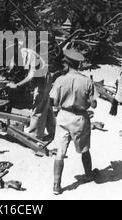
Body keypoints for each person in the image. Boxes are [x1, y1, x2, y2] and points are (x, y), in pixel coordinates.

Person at [50, 49, 98, 195]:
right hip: (79, 119)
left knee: (60, 152)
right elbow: (94, 104)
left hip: (63, 117)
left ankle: (56, 186)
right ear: (79, 64)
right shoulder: (87, 81)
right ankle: (89, 174)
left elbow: (54, 101)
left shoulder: (60, 80)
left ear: (67, 64)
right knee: (84, 149)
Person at [7, 44, 55, 141]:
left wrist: (17, 85)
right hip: (38, 78)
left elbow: (31, 76)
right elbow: (11, 65)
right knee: (45, 104)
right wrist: (8, 73)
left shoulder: (30, 55)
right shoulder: (16, 54)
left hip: (43, 78)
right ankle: (52, 132)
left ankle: (34, 137)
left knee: (38, 107)